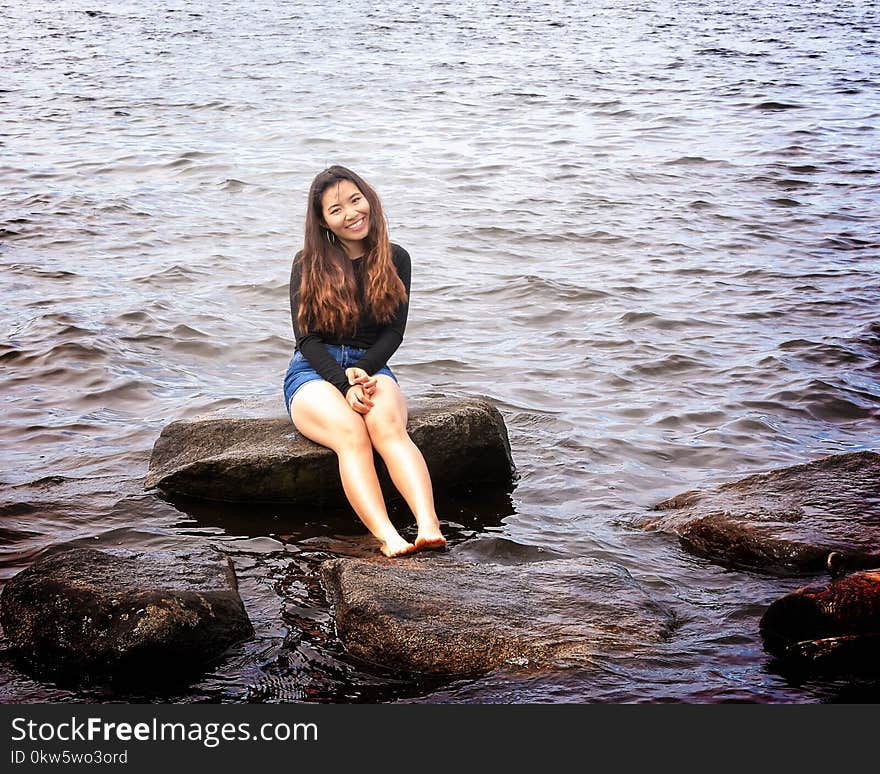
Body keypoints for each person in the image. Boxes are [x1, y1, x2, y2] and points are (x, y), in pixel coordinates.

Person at [283, 165, 447, 557]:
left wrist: (366, 369)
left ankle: (429, 526)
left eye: (355, 200)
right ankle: (389, 537)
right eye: (335, 209)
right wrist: (343, 385)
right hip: (313, 372)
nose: (351, 213)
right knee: (352, 436)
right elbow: (306, 339)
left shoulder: (396, 258)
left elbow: (393, 332)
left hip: (371, 365)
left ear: (369, 199)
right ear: (323, 220)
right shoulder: (307, 263)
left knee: (388, 428)